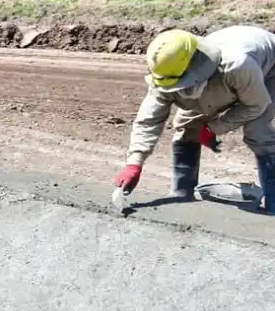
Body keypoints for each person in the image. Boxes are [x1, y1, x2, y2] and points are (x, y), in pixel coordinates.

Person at [113, 27, 275, 211]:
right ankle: (182, 192)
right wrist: (134, 163)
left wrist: (214, 128)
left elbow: (255, 105)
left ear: (193, 67)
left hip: (269, 70)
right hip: (230, 74)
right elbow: (148, 120)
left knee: (259, 133)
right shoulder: (165, 72)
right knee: (188, 125)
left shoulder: (236, 65)